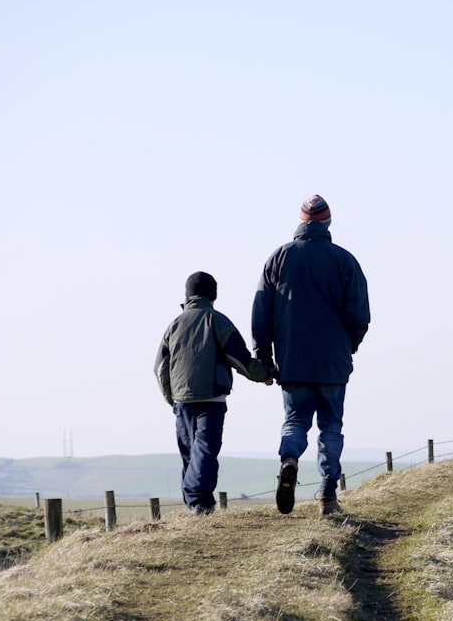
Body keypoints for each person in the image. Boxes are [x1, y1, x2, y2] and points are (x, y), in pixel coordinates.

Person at [252, 195, 370, 516]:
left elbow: (261, 313)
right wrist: (349, 346)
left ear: (301, 222)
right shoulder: (344, 261)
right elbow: (360, 315)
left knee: (295, 421)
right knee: (330, 426)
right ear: (328, 223)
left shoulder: (278, 258)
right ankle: (327, 494)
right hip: (333, 363)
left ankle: (289, 459)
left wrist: (264, 359)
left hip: (293, 362)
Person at [155, 271, 271, 515]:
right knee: (205, 449)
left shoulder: (173, 325)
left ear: (187, 295)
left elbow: (160, 368)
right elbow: (240, 358)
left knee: (189, 453)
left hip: (181, 400)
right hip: (211, 398)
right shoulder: (217, 320)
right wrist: (265, 375)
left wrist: (171, 398)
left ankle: (194, 504)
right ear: (213, 294)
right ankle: (201, 503)